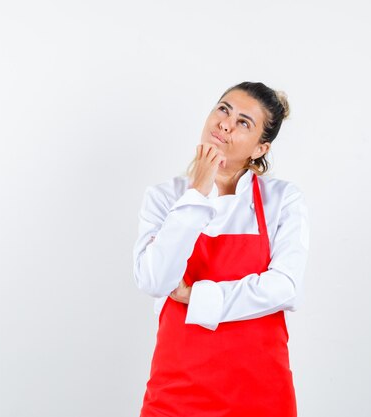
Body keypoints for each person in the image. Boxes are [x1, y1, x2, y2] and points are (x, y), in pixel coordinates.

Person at [132, 81, 310, 417]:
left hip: (260, 395)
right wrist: (197, 193)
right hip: (176, 394)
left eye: (244, 122)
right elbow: (154, 281)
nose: (225, 123)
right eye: (223, 109)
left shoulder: (282, 201)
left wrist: (197, 296)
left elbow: (286, 287)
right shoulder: (163, 198)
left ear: (260, 148)